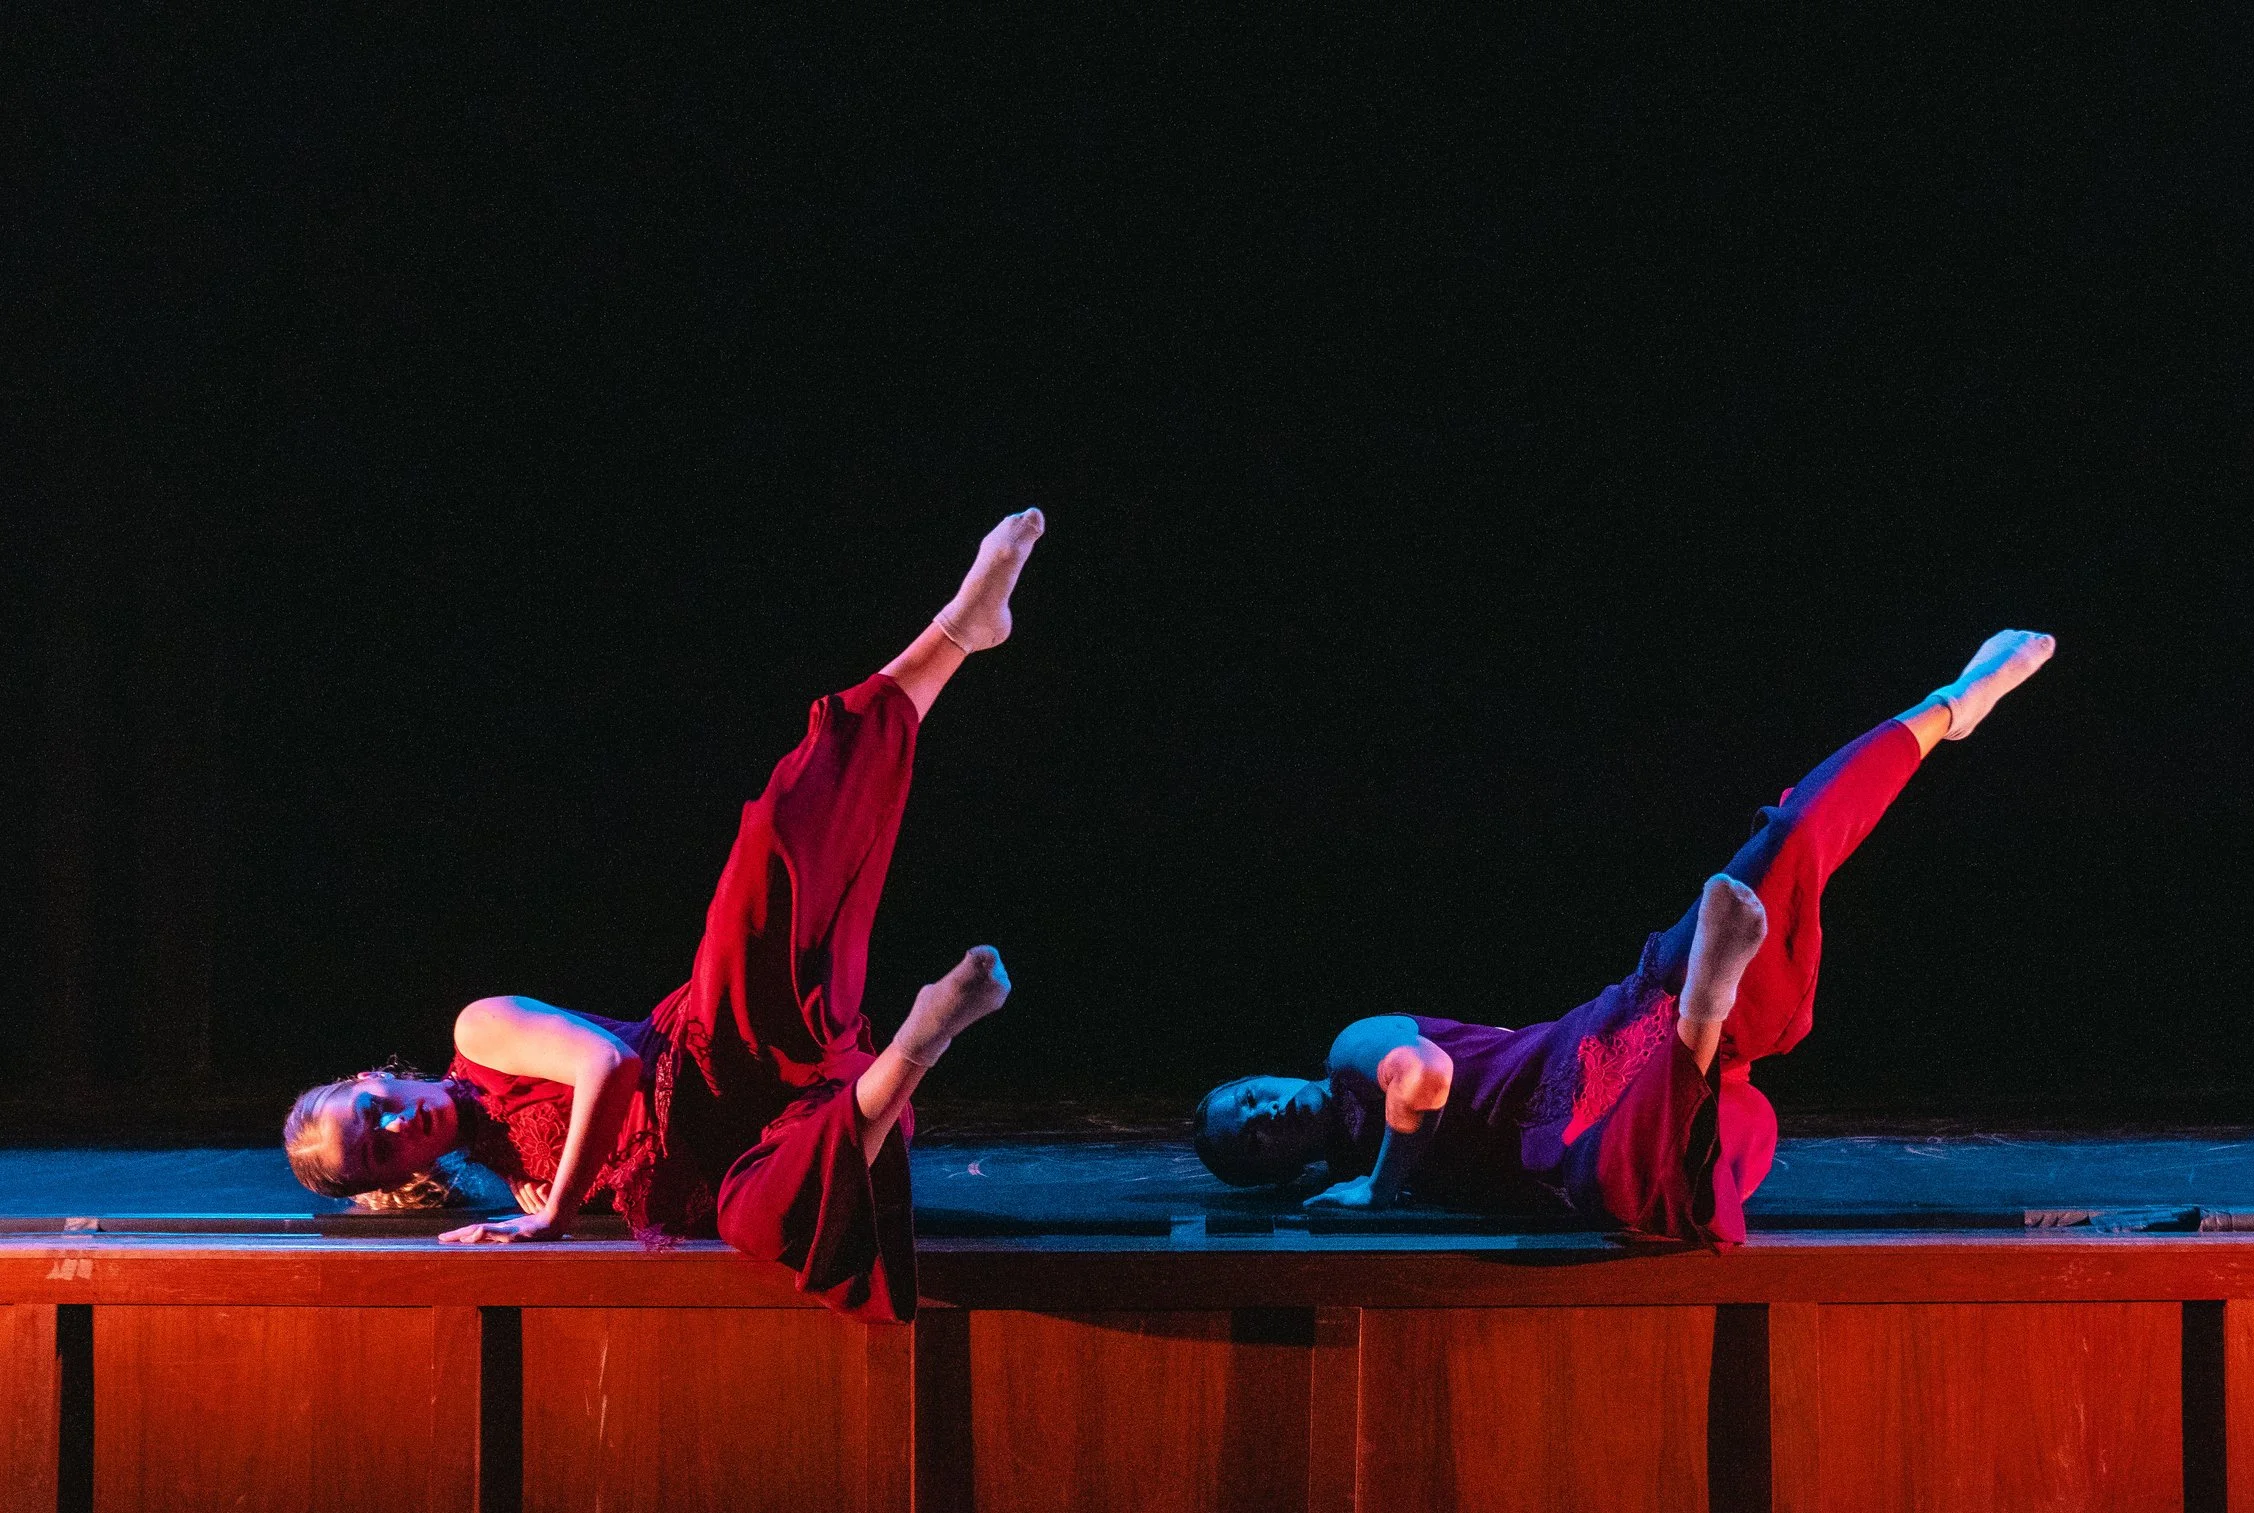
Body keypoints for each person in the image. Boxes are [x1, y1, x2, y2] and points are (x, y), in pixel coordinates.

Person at [281, 508, 1047, 1319]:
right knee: (757, 1224)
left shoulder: (480, 1033)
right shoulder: (512, 1174)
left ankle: (958, 631)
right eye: (381, 1150)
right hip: (755, 1146)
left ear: (373, 1077)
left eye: (374, 1110)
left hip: (713, 1052)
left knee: (780, 838)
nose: (398, 1124)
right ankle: (919, 1042)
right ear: (399, 1180)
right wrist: (548, 1195)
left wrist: (555, 1211)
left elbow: (610, 1066)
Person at [1191, 630, 2057, 1246]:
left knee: (1786, 843)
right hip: (1636, 1136)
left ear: (1264, 1073)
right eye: (1254, 1139)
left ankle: (1952, 706)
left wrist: (1379, 1191)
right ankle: (1705, 1018)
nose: (1266, 1114)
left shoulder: (1352, 1053)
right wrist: (1365, 1185)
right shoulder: (1342, 1169)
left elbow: (1426, 1076)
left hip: (1598, 1055)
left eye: (1250, 1098)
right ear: (1275, 1172)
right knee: (1625, 1192)